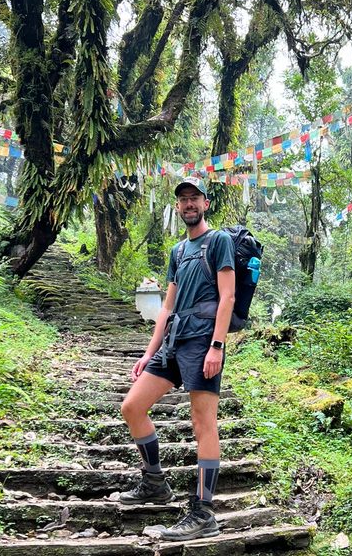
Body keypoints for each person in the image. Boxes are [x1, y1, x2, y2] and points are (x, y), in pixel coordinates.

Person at [120, 176, 236, 541]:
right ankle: (155, 481)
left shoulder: (219, 241)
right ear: (178, 206)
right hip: (173, 342)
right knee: (132, 406)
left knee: (203, 423)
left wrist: (217, 346)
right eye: (183, 199)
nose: (188, 204)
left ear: (205, 204)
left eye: (194, 198)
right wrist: (149, 352)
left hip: (203, 340)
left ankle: (203, 512)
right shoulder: (177, 251)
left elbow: (227, 297)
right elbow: (166, 308)